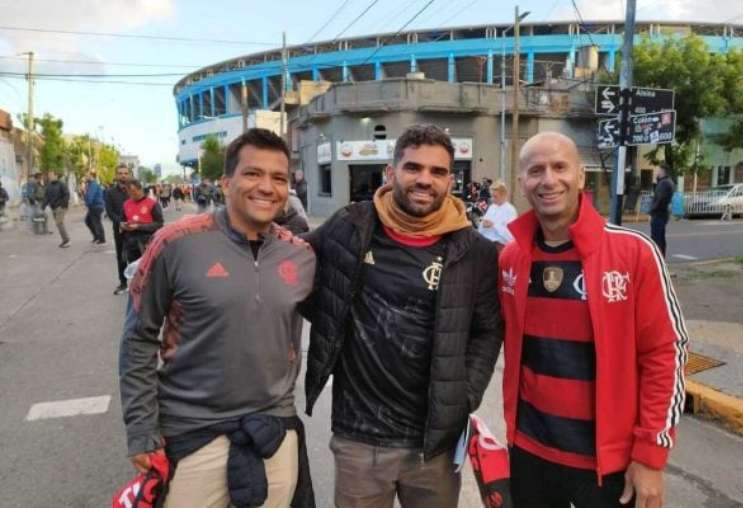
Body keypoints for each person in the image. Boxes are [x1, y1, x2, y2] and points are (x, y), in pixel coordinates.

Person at [303, 124, 503, 508]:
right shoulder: (350, 225)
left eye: (438, 171)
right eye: (413, 168)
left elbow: (487, 330)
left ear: (450, 180)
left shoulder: (474, 250)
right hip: (359, 438)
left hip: (435, 443)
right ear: (391, 173)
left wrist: (467, 395)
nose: (424, 180)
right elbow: (294, 272)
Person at [119, 128, 316, 508]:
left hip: (273, 429)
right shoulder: (175, 243)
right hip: (190, 433)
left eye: (278, 178)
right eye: (252, 174)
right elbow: (139, 338)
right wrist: (141, 428)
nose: (267, 187)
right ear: (226, 182)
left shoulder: (301, 256)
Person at [498, 132, 689, 508]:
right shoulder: (511, 259)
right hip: (529, 455)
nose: (549, 180)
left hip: (607, 466)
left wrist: (650, 455)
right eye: (536, 170)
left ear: (581, 177)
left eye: (559, 167)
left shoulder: (633, 253)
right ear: (522, 182)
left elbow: (665, 354)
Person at [120, 179, 164, 265]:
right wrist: (122, 225)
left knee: (149, 271)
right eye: (129, 192)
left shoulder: (152, 204)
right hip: (131, 244)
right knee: (135, 272)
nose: (132, 195)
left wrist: (138, 226)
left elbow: (159, 224)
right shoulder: (126, 204)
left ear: (140, 189)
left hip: (147, 243)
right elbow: (123, 220)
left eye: (134, 191)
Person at [105, 164, 132, 294]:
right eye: (120, 173)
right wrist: (120, 222)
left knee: (137, 256)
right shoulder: (110, 192)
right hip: (119, 229)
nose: (123, 175)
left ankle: (139, 283)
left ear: (129, 175)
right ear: (116, 175)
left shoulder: (134, 190)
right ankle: (123, 283)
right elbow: (109, 212)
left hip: (136, 229)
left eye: (125, 173)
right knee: (121, 257)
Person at [477, 180, 517, 251]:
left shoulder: (510, 210)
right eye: (491, 196)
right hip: (487, 245)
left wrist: (494, 225)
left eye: (495, 196)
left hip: (501, 247)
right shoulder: (492, 207)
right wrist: (483, 224)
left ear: (503, 195)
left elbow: (511, 236)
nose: (492, 199)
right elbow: (482, 228)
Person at [649, 164, 675, 256]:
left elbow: (660, 199)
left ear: (663, 171)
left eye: (659, 171)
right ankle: (661, 258)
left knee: (656, 239)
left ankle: (657, 258)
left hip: (658, 214)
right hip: (662, 214)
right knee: (660, 238)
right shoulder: (667, 182)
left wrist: (652, 210)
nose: (657, 172)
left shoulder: (664, 183)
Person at [42, 171, 70, 248]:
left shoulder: (61, 184)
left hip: (60, 207)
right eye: (49, 175)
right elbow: (46, 197)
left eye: (51, 175)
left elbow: (67, 195)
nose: (50, 177)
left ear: (56, 175)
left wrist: (62, 205)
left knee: (59, 223)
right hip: (53, 207)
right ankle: (65, 239)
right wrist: (43, 206)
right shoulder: (49, 186)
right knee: (59, 224)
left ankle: (66, 240)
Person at [84, 171, 106, 244]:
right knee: (88, 221)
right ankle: (97, 236)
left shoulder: (93, 185)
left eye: (87, 176)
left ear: (91, 176)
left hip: (96, 206)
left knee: (96, 222)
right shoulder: (90, 184)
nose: (86, 177)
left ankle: (101, 238)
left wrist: (87, 204)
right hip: (94, 206)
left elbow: (90, 196)